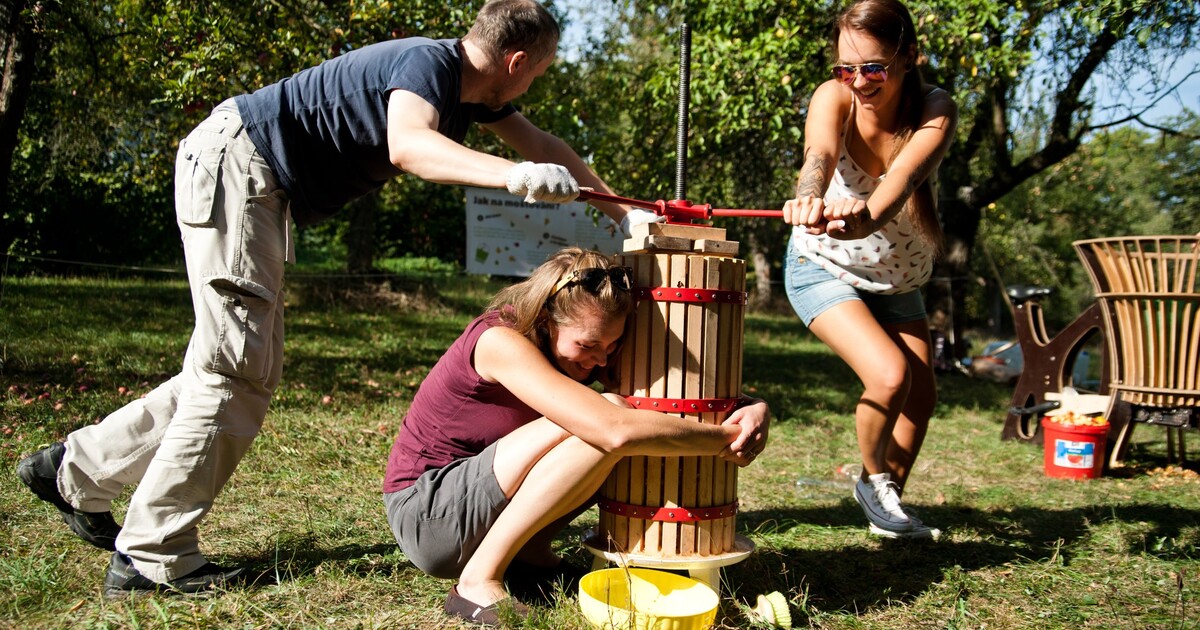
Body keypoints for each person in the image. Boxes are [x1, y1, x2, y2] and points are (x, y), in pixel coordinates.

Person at [16, 0, 662, 598]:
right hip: (239, 165)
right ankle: (151, 558)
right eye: (539, 73)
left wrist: (626, 212)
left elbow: (546, 147)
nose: (534, 87)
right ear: (518, 62)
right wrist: (512, 177)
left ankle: (75, 472)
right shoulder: (429, 65)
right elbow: (409, 145)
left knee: (234, 368)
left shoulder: (471, 93)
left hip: (255, 180)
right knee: (234, 370)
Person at [383, 247, 771, 626]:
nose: (601, 359)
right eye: (588, 345)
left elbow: (669, 399)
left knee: (621, 417)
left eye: (613, 345)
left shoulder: (578, 353)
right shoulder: (498, 341)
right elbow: (613, 430)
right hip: (429, 515)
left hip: (475, 512)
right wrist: (725, 438)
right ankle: (476, 581)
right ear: (546, 320)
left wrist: (750, 405)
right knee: (608, 420)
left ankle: (530, 557)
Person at [779, 0, 957, 539]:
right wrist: (809, 199)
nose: (858, 81)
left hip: (897, 272)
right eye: (846, 68)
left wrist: (865, 220)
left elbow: (900, 180)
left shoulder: (935, 109)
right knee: (890, 375)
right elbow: (819, 157)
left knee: (920, 395)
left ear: (908, 57)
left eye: (873, 68)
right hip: (824, 264)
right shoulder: (834, 98)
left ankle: (885, 498)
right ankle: (873, 481)